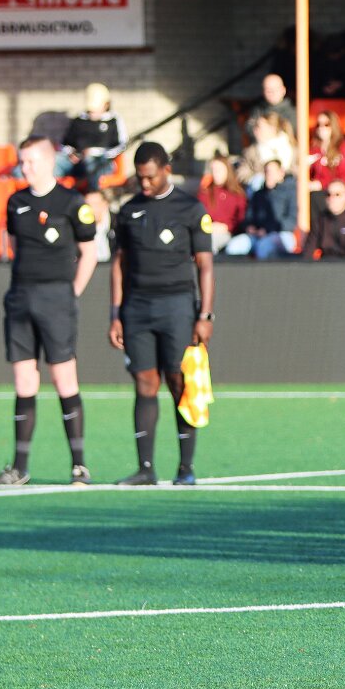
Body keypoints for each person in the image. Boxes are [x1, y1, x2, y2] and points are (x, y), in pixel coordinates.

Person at [0, 134, 97, 486]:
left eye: (32, 161)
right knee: (24, 381)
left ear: (50, 162)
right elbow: (14, 245)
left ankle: (79, 465)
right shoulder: (16, 202)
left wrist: (71, 292)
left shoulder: (71, 201)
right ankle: (19, 467)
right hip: (21, 298)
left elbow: (90, 252)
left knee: (64, 378)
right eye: (23, 161)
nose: (26, 168)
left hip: (57, 299)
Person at [108, 142, 215, 486]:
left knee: (178, 381)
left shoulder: (190, 208)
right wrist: (115, 313)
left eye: (151, 177)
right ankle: (145, 469)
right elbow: (119, 265)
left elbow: (205, 266)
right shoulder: (129, 211)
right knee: (144, 382)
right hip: (137, 307)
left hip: (177, 306)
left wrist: (205, 315)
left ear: (166, 170)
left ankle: (186, 468)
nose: (145, 184)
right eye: (140, 177)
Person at [62, 83, 129, 192]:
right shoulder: (79, 120)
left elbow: (123, 144)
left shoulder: (113, 120)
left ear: (106, 105)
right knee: (55, 160)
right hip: (79, 162)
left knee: (91, 163)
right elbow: (65, 144)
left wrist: (97, 152)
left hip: (104, 161)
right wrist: (72, 153)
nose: (92, 112)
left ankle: (92, 193)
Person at [228, 160, 297, 259]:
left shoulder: (289, 193)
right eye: (266, 172)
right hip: (257, 234)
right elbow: (248, 217)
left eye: (272, 172)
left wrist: (268, 230)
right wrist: (249, 227)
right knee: (234, 246)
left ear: (281, 173)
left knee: (264, 247)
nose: (269, 175)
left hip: (281, 233)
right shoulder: (258, 194)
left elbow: (291, 221)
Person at [309, 179, 345, 260]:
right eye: (328, 194)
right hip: (325, 264)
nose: (332, 198)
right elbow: (308, 252)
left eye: (337, 194)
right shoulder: (320, 221)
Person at [199, 156, 247, 251]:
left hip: (228, 233)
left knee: (209, 242)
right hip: (208, 230)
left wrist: (227, 227)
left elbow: (241, 218)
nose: (215, 173)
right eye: (213, 170)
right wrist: (209, 226)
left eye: (219, 170)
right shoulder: (205, 192)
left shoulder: (237, 194)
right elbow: (198, 215)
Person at [307, 110, 345, 197]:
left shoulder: (344, 148)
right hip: (316, 191)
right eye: (318, 124)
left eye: (326, 124)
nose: (321, 128)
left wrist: (322, 184)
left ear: (333, 125)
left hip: (336, 194)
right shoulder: (313, 149)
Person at [239, 111, 296, 187]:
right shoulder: (251, 152)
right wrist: (260, 178)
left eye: (259, 127)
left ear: (272, 129)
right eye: (255, 127)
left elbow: (300, 172)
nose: (255, 131)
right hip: (262, 191)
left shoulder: (292, 149)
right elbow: (241, 174)